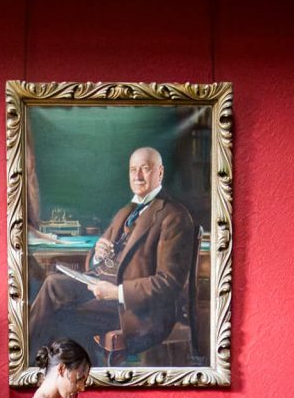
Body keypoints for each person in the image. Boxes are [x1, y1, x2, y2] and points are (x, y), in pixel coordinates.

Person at [27, 146, 194, 363]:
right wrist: (97, 254)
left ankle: (31, 366)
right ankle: (30, 365)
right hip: (103, 291)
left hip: (137, 309)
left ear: (160, 172)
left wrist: (116, 292)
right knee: (53, 284)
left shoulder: (175, 216)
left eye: (145, 168)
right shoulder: (127, 210)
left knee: (60, 316)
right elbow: (96, 260)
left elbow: (169, 283)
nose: (138, 176)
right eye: (133, 170)